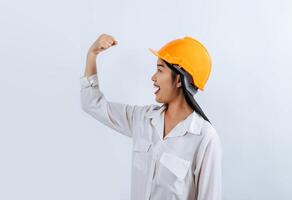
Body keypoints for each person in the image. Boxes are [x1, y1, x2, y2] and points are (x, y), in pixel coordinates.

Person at [80, 34, 222, 200]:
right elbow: (92, 104)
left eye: (160, 70)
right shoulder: (143, 119)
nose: (153, 78)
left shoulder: (205, 138)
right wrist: (91, 55)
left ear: (179, 80)